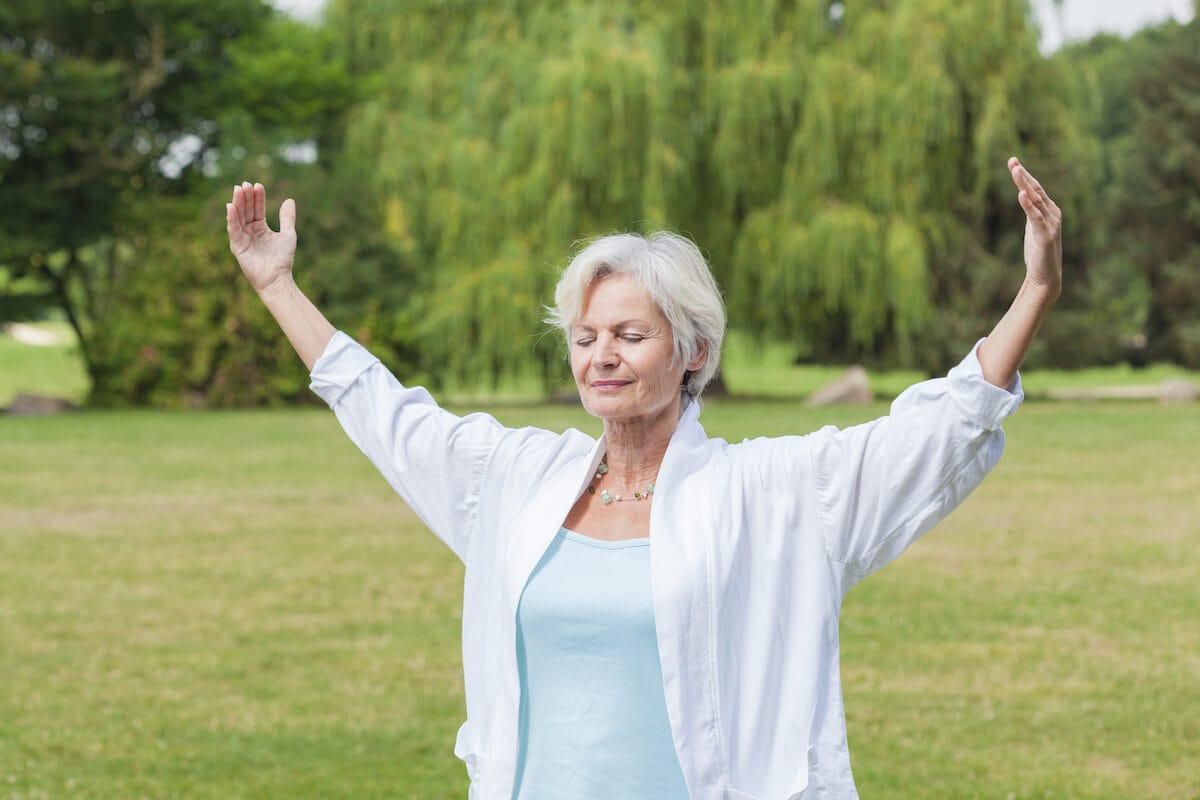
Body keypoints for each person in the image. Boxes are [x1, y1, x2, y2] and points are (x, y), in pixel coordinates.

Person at [225, 156, 1062, 800]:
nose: (602, 356)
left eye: (630, 334)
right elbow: (388, 414)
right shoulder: (517, 479)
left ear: (692, 350)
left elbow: (940, 428)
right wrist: (279, 286)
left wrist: (1034, 288)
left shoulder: (772, 494)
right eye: (585, 337)